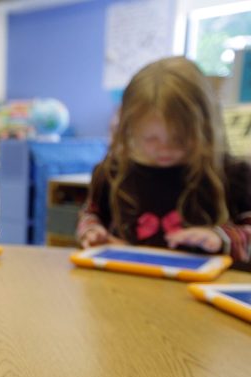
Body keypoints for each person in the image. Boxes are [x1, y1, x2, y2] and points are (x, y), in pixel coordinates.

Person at [77, 56, 251, 269]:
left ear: (205, 128)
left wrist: (220, 238)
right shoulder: (111, 172)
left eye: (179, 138)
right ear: (130, 129)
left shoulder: (234, 174)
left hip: (200, 292)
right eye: (150, 138)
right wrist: (92, 231)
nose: (165, 149)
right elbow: (91, 214)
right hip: (124, 287)